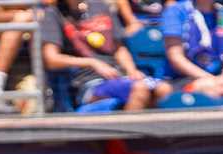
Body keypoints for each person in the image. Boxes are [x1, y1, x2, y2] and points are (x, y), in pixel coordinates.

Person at [41, 0, 174, 111]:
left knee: (163, 89)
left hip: (117, 77)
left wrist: (132, 70)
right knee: (140, 88)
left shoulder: (101, 6)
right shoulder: (54, 14)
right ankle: (128, 141)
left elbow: (119, 49)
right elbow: (51, 59)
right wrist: (92, 63)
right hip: (87, 84)